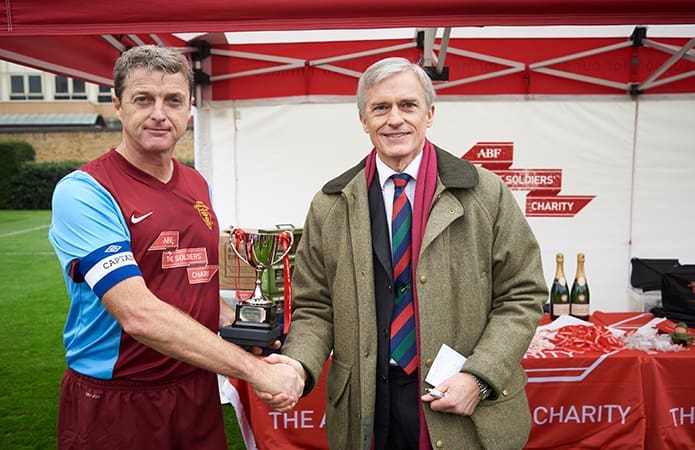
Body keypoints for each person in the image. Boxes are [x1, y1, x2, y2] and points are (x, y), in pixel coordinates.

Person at [259, 56, 548, 449]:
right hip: (366, 398)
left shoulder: (485, 193)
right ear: (364, 120)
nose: (395, 119)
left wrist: (479, 378)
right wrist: (298, 364)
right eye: (381, 108)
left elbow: (522, 294)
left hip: (460, 399)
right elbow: (315, 306)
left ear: (429, 114)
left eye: (407, 105)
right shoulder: (330, 204)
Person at [48, 45, 303, 450]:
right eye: (143, 99)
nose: (159, 114)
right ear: (117, 104)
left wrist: (251, 327)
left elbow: (194, 292)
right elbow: (139, 314)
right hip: (118, 397)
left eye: (173, 101)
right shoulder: (85, 191)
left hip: (194, 387)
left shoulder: (197, 184)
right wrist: (255, 372)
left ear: (189, 110)